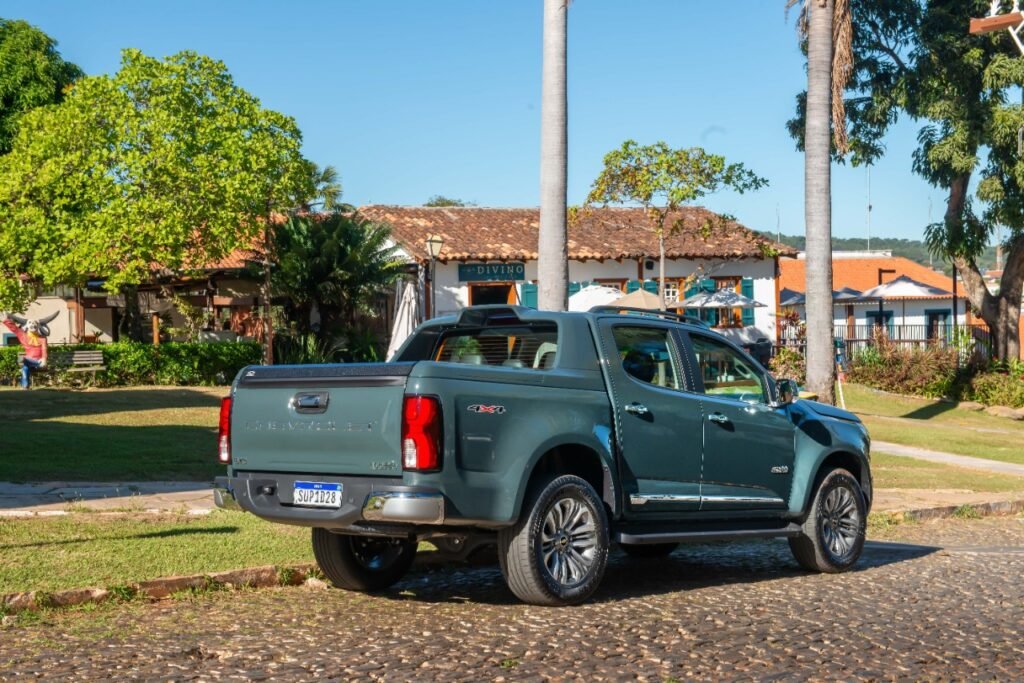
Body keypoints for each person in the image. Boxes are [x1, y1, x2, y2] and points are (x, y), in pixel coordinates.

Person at [2, 316, 48, 389]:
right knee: (25, 366)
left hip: (39, 362)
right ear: (27, 326)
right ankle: (25, 386)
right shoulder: (23, 336)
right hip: (28, 360)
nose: (33, 324)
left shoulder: (42, 338)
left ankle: (25, 386)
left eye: (35, 323)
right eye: (30, 322)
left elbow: (44, 349)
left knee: (24, 364)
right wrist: (6, 319)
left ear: (38, 326)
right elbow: (15, 329)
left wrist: (44, 360)